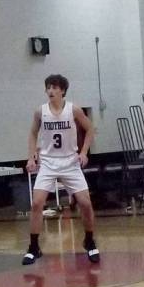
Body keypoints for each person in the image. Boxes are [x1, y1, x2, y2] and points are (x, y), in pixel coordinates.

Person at [23, 74, 99, 265]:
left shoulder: (73, 109)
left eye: (55, 87)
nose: (51, 90)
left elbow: (90, 129)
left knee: (86, 204)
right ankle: (33, 247)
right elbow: (32, 133)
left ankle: (89, 241)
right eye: (48, 87)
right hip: (48, 162)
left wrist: (84, 152)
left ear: (63, 90)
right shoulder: (40, 112)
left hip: (70, 162)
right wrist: (32, 156)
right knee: (37, 203)